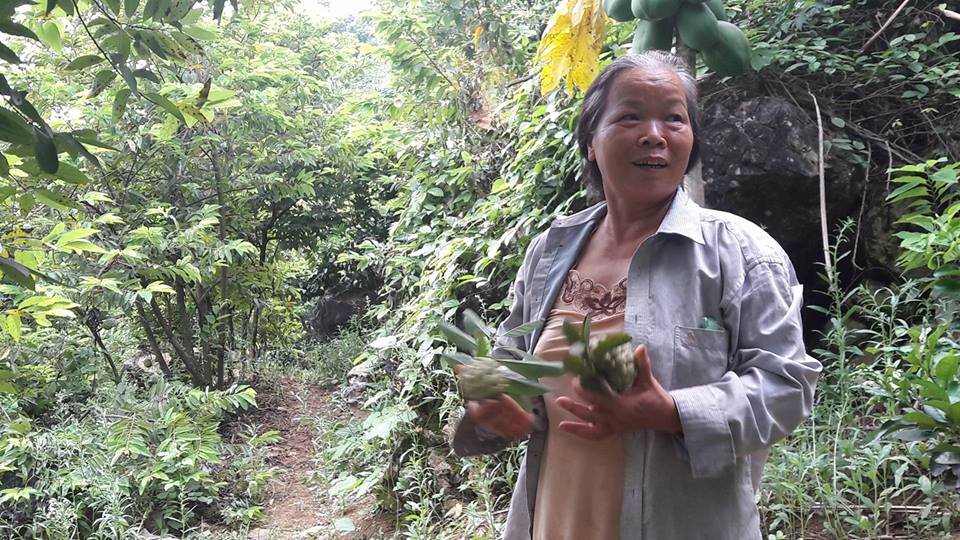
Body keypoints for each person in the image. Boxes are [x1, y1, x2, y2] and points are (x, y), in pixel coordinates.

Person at [451, 51, 822, 540]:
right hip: (554, 519)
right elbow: (509, 364)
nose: (655, 133)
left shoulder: (741, 252)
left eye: (674, 117)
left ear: (691, 141)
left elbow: (789, 387)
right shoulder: (551, 248)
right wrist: (484, 407)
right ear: (590, 142)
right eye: (630, 116)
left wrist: (670, 412)